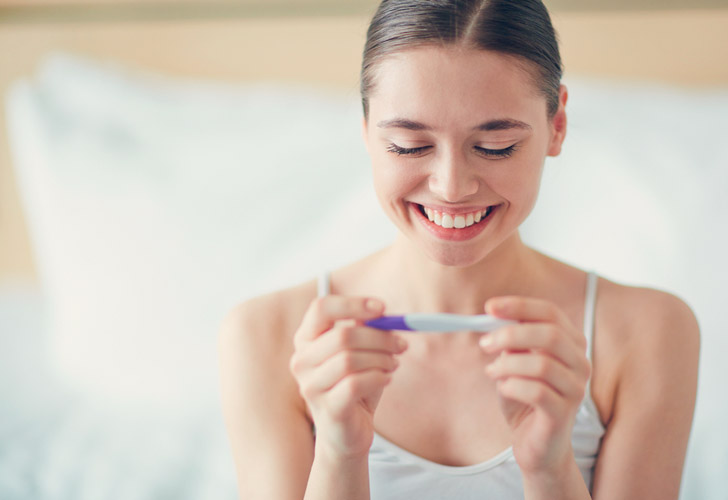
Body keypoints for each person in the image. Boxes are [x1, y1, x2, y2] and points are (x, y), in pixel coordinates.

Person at [218, 1, 700, 499]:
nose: (451, 187)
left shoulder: (649, 332)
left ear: (556, 126)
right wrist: (340, 454)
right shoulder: (265, 337)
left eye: (495, 147)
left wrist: (549, 467)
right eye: (408, 145)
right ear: (366, 129)